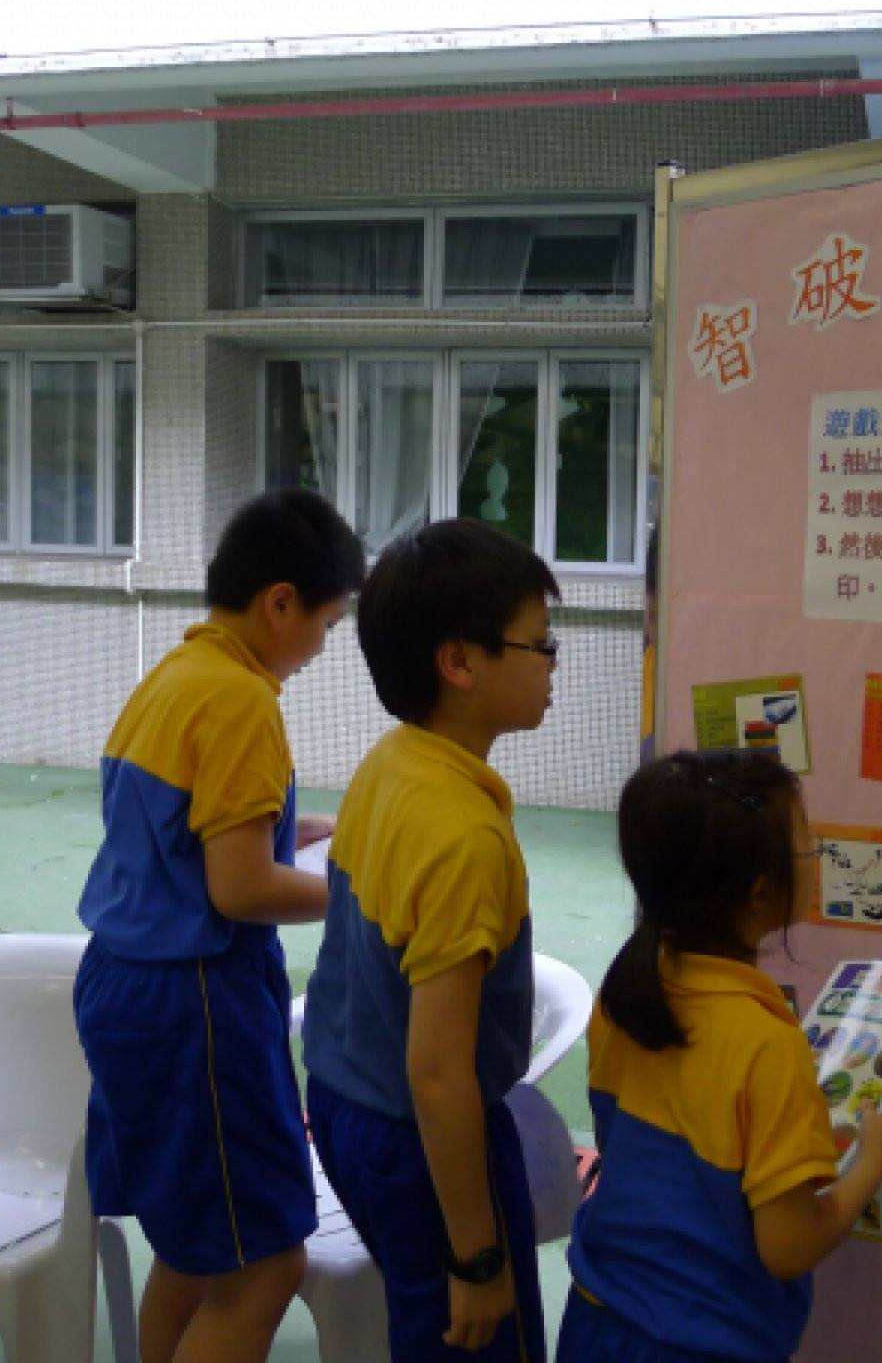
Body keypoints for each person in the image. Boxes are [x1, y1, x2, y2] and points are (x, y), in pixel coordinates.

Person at [73, 488, 366, 1363]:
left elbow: (181, 834)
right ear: (280, 603)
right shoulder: (241, 699)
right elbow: (238, 889)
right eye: (326, 623)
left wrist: (299, 831)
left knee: (195, 1253)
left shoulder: (173, 677)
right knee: (266, 1264)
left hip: (124, 986)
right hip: (194, 1004)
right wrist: (365, 894)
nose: (322, 647)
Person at [302, 519, 562, 1360]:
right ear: (459, 663)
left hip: (343, 1102)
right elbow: (440, 1071)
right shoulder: (463, 837)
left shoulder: (391, 763)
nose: (552, 662)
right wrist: (476, 1256)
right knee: (474, 1334)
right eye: (540, 644)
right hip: (423, 1139)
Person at [558, 749, 882, 1363]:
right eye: (807, 845)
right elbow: (789, 1248)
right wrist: (873, 1159)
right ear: (760, 893)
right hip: (703, 1344)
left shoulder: (626, 989)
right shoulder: (767, 1045)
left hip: (594, 1317)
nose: (815, 856)